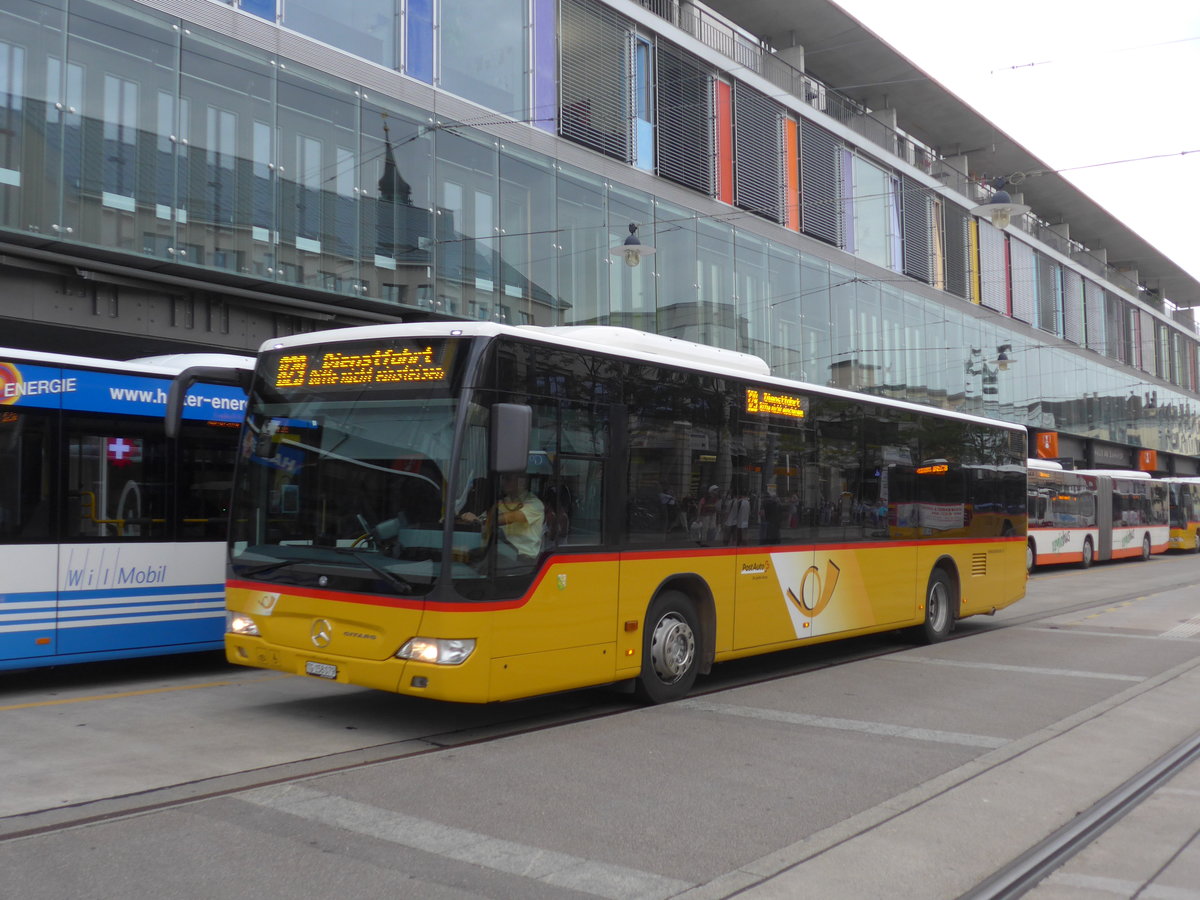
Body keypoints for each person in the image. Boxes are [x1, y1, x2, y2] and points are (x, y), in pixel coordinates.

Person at [461, 473, 545, 561]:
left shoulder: (534, 504)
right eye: (503, 478)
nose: (503, 482)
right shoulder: (500, 503)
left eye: (508, 479)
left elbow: (511, 517)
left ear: (522, 481)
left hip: (524, 558)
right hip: (503, 552)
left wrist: (481, 520)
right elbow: (485, 521)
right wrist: (468, 517)